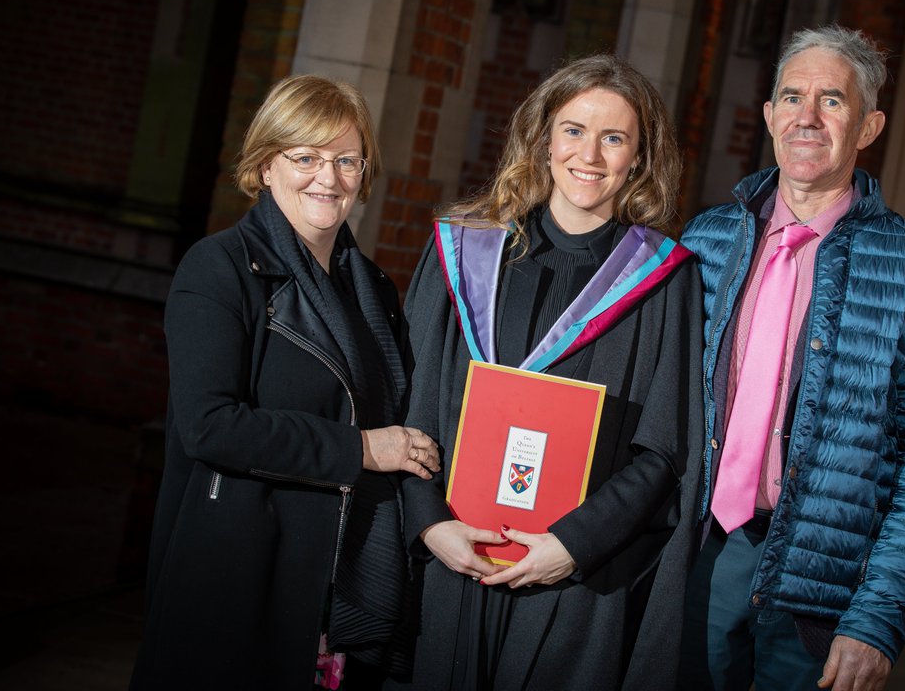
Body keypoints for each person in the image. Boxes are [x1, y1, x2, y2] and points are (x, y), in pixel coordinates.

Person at [395, 54, 704, 690]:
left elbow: (664, 449)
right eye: (573, 130)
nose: (589, 154)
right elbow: (409, 405)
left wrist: (573, 546)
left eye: (614, 138)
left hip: (577, 586)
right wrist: (429, 521)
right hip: (451, 557)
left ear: (639, 159)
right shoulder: (462, 249)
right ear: (542, 139)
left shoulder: (663, 280)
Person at [679, 24, 905, 691]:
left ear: (869, 126)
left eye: (832, 101)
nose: (806, 117)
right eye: (791, 96)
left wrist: (878, 619)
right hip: (698, 558)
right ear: (769, 115)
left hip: (824, 585)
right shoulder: (705, 239)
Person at [131, 75, 441, 690]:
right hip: (241, 575)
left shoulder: (373, 291)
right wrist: (362, 449)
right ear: (266, 166)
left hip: (339, 584)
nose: (327, 178)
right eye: (305, 157)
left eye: (346, 160)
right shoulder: (219, 269)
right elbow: (210, 427)